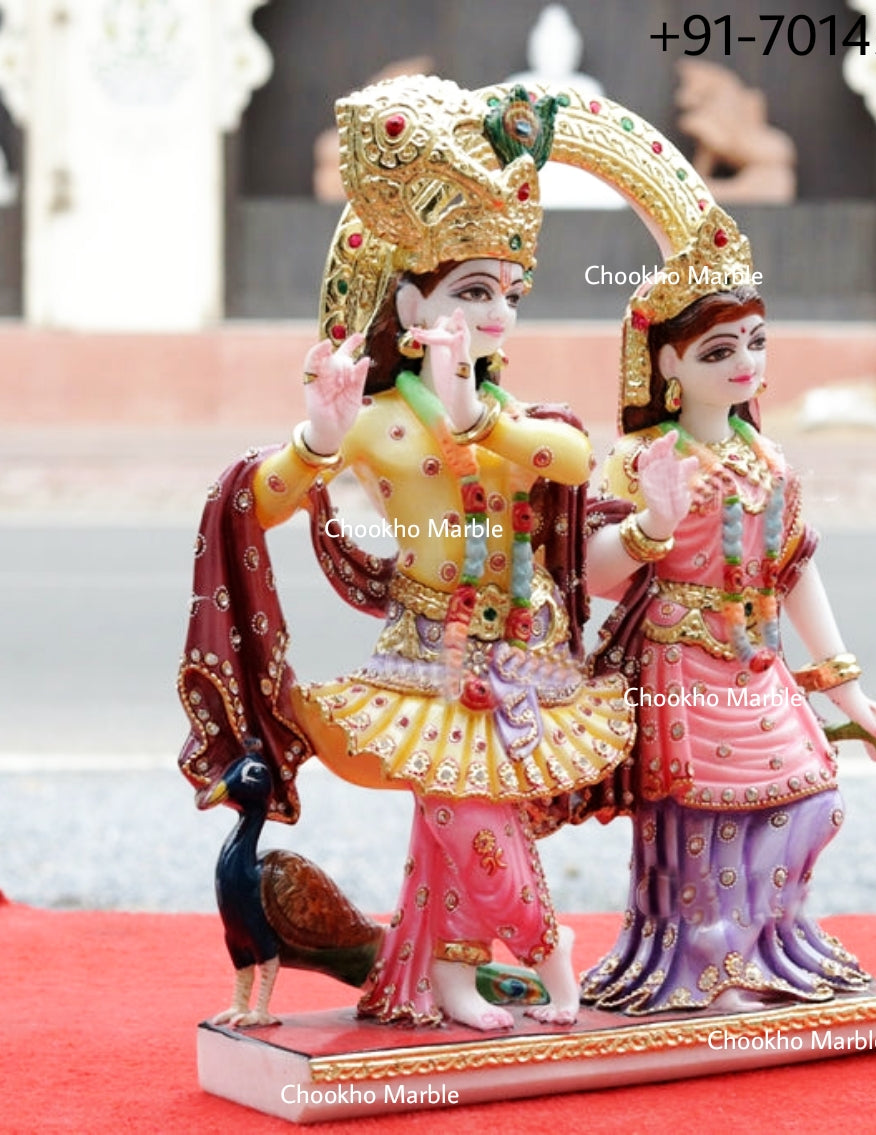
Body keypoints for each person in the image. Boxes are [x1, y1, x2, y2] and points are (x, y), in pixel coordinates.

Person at [178, 76, 633, 1031]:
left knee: (472, 819)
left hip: (525, 655)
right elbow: (256, 507)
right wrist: (313, 437)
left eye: (509, 292)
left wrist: (474, 415)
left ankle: (475, 970)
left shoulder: (516, 418)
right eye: (474, 292)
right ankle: (527, 965)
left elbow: (575, 459)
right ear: (413, 301)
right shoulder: (377, 423)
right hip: (430, 657)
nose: (499, 312)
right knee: (461, 816)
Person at [578, 207, 876, 1014]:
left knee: (814, 796)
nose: (745, 363)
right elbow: (590, 571)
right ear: (667, 364)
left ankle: (765, 940)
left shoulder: (770, 461)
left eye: (756, 343)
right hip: (677, 666)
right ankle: (703, 961)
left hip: (754, 661)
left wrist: (851, 698)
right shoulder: (641, 459)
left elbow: (793, 572)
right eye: (719, 350)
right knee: (705, 825)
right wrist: (652, 523)